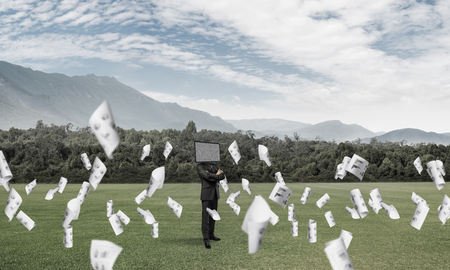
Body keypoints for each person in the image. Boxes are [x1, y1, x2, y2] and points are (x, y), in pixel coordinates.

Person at [197, 162, 225, 249]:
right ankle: (206, 239)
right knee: (206, 218)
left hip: (215, 195)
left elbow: (222, 176)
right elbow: (206, 176)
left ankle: (211, 235)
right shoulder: (200, 166)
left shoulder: (215, 165)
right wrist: (216, 175)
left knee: (213, 216)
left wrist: (212, 176)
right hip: (207, 194)